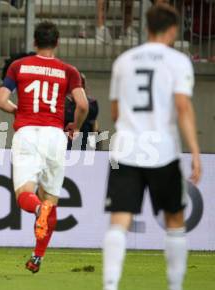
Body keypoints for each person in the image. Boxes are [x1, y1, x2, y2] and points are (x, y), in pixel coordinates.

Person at [103, 4, 201, 290]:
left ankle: (110, 285)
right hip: (163, 151)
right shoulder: (178, 61)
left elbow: (115, 113)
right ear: (172, 30)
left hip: (126, 149)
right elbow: (183, 107)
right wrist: (194, 151)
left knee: (119, 219)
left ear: (146, 28)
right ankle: (174, 285)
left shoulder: (124, 61)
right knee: (175, 218)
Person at [0, 21, 89, 273]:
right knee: (52, 199)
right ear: (57, 43)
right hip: (55, 135)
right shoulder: (69, 71)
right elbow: (82, 105)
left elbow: (1, 100)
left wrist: (19, 110)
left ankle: (38, 209)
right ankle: (37, 257)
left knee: (25, 193)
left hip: (27, 133)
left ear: (34, 42)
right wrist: (75, 127)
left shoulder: (19, 66)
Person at [64, 73, 100, 150]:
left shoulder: (91, 103)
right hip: (66, 144)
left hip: (84, 144)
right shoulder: (65, 102)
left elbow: (93, 124)